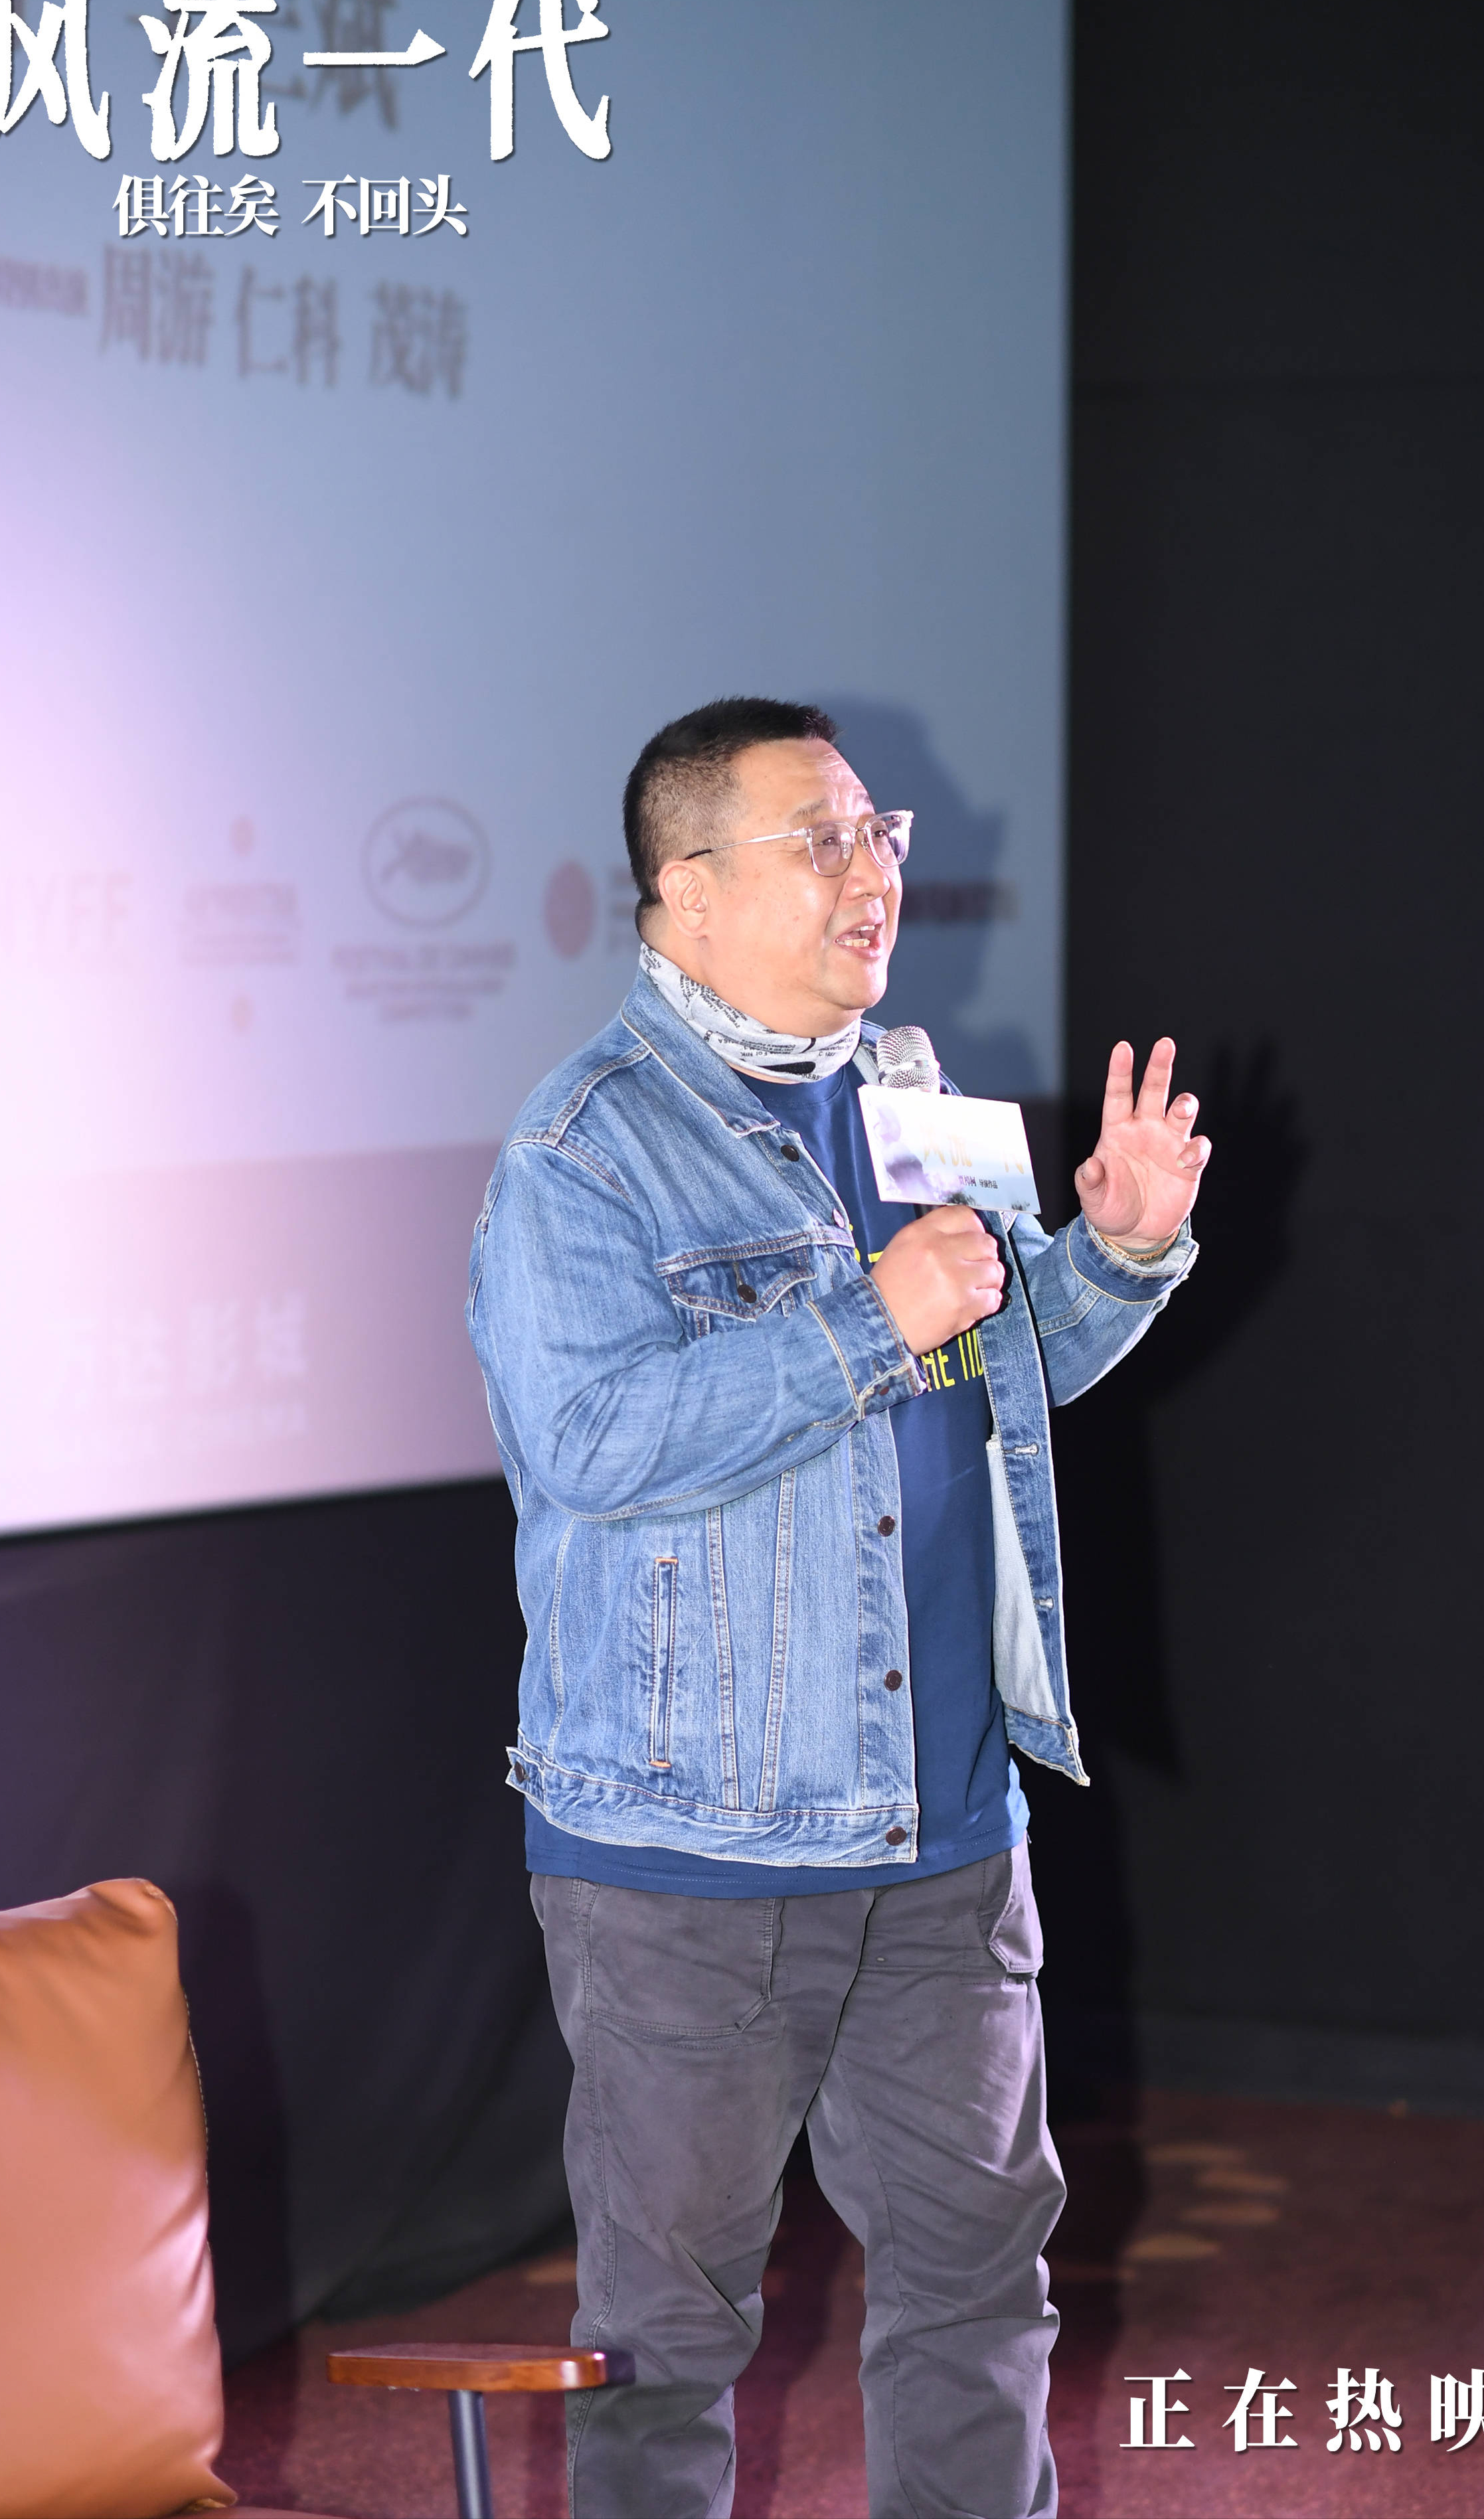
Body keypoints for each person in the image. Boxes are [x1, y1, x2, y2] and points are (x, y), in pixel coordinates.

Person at [467, 697, 1208, 2519]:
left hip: (945, 1828)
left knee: (979, 2287)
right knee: (669, 2339)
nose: (871, 871)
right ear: (686, 890)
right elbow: (590, 1442)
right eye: (821, 840)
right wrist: (869, 1316)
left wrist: (1115, 1256)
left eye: (879, 834)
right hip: (690, 1855)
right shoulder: (585, 1150)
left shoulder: (908, 1089)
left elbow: (995, 1367)